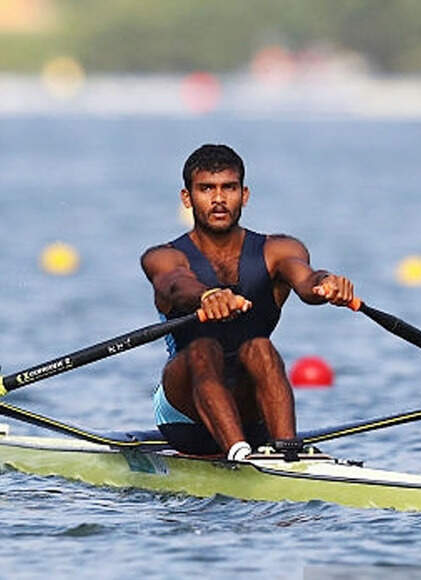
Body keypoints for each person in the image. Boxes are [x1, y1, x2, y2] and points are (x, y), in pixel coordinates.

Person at [141, 144, 356, 461]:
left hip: (251, 410)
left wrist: (326, 284)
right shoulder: (163, 257)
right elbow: (175, 283)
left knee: (260, 347)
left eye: (228, 188)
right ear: (187, 198)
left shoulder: (278, 250)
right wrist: (206, 296)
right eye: (206, 189)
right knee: (203, 349)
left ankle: (287, 454)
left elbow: (306, 281)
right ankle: (240, 455)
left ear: (244, 194)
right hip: (185, 417)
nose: (218, 199)